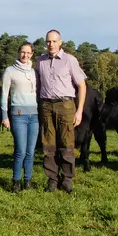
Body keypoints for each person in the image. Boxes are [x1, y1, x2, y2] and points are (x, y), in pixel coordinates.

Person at [35, 29, 87, 193]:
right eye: (48, 41)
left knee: (66, 143)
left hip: (65, 105)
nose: (51, 44)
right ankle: (52, 179)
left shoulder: (70, 60)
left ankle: (67, 179)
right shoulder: (40, 62)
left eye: (54, 41)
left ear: (60, 42)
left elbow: (82, 86)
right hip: (46, 106)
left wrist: (79, 111)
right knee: (48, 144)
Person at [1, 42, 39, 193]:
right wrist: (5, 116)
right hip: (18, 116)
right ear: (18, 53)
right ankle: (16, 181)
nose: (25, 55)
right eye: (23, 52)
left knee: (31, 151)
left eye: (29, 53)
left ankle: (27, 181)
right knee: (21, 151)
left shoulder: (34, 72)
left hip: (34, 116)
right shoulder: (10, 71)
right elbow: (4, 95)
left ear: (32, 54)